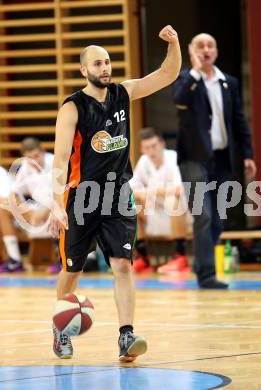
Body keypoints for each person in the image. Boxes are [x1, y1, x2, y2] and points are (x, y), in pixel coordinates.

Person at [49, 25, 181, 361]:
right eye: (97, 64)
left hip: (119, 194)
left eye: (107, 62)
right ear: (84, 70)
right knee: (72, 270)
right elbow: (61, 161)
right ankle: (60, 329)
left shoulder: (123, 93)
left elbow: (167, 74)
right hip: (81, 197)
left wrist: (174, 43)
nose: (104, 68)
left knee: (122, 264)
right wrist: (55, 203)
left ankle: (126, 336)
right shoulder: (73, 107)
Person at [173, 33, 256, 289]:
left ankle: (201, 265)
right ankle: (206, 274)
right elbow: (179, 100)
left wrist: (248, 154)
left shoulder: (227, 82)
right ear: (190, 50)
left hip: (222, 158)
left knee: (218, 218)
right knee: (203, 215)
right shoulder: (186, 80)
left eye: (210, 45)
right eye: (200, 46)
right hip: (193, 159)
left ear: (216, 51)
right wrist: (196, 73)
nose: (205, 50)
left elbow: (239, 121)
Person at [130, 127, 191, 274]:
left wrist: (149, 192)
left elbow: (177, 190)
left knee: (172, 200)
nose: (151, 151)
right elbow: (130, 188)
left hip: (180, 216)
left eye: (154, 146)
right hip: (155, 217)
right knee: (132, 203)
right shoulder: (144, 161)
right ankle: (143, 258)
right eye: (147, 147)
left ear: (162, 145)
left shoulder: (173, 158)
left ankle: (180, 257)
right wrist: (140, 194)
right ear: (142, 149)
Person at [0, 137, 56, 273]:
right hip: (37, 211)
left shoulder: (55, 162)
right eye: (30, 158)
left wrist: (44, 212)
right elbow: (14, 193)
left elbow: (63, 192)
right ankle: (15, 260)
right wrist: (29, 212)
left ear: (43, 151)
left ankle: (64, 259)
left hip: (56, 207)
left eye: (36, 156)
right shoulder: (26, 167)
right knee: (1, 209)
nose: (34, 161)